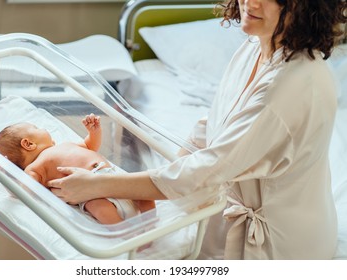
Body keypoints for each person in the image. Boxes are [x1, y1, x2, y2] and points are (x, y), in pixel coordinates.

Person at [47, 0, 347, 259]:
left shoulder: (290, 85)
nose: (250, 3)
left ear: (305, 6)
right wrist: (166, 171)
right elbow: (214, 122)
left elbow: (208, 169)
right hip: (242, 207)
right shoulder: (255, 46)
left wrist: (98, 185)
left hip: (283, 245)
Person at [0, 114, 155, 225]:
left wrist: (94, 132)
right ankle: (124, 231)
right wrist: (7, 172)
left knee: (142, 190)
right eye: (36, 127)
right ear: (28, 144)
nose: (42, 129)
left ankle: (150, 224)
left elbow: (90, 146)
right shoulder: (34, 168)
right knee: (97, 206)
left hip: (111, 178)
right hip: (90, 192)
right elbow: (24, 190)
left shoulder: (65, 145)